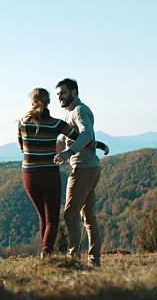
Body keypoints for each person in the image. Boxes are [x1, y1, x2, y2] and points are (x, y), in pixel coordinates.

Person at [17, 88, 88, 259]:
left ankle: (45, 252)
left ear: (31, 102)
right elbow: (78, 136)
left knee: (43, 217)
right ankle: (46, 253)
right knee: (52, 219)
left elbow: (21, 148)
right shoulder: (56, 124)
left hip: (29, 175)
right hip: (49, 173)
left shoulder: (22, 122)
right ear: (48, 102)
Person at [53, 78, 105, 267]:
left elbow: (86, 134)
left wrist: (69, 152)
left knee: (70, 213)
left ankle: (74, 258)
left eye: (63, 93)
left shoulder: (79, 110)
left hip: (83, 167)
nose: (60, 97)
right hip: (90, 166)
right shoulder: (70, 114)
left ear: (74, 92)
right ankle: (94, 260)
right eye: (58, 94)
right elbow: (65, 140)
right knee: (87, 214)